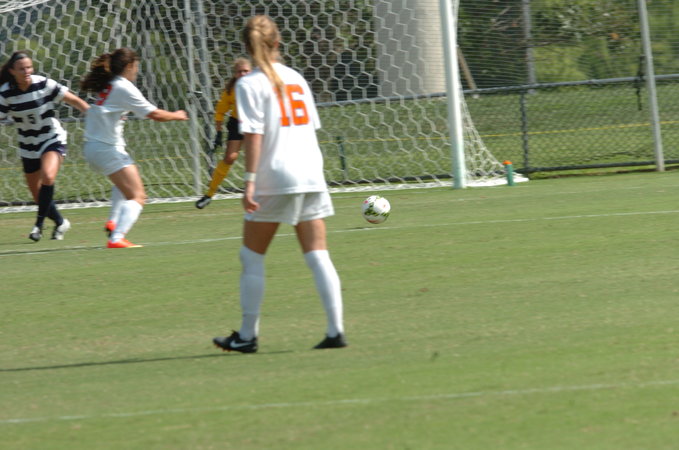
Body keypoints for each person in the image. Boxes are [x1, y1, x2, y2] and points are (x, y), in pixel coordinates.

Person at [213, 15, 346, 353]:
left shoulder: (248, 84)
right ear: (277, 42)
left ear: (247, 47)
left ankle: (247, 336)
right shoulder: (296, 78)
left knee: (251, 256)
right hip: (311, 172)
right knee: (317, 254)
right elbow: (308, 128)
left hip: (276, 176)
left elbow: (254, 135)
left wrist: (250, 182)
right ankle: (335, 330)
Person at [80, 48, 188, 248]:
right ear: (129, 66)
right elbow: (154, 114)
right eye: (136, 66)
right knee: (138, 196)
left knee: (124, 184)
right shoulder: (123, 86)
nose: (137, 71)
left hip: (94, 147)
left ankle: (113, 222)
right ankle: (117, 238)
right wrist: (177, 115)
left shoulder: (110, 84)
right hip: (106, 148)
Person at [0, 51, 89, 242]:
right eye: (21, 69)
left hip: (51, 138)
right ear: (12, 71)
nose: (27, 71)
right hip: (28, 145)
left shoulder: (44, 84)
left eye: (29, 67)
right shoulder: (6, 92)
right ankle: (60, 222)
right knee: (38, 196)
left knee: (48, 176)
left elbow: (75, 101)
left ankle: (38, 226)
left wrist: (95, 115)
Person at [195, 58, 252, 209]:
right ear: (235, 74)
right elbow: (220, 111)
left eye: (246, 71)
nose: (243, 74)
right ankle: (209, 194)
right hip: (237, 122)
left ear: (251, 71)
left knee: (259, 158)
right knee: (229, 158)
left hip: (256, 124)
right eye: (239, 71)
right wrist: (219, 132)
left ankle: (266, 192)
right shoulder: (231, 89)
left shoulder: (259, 85)